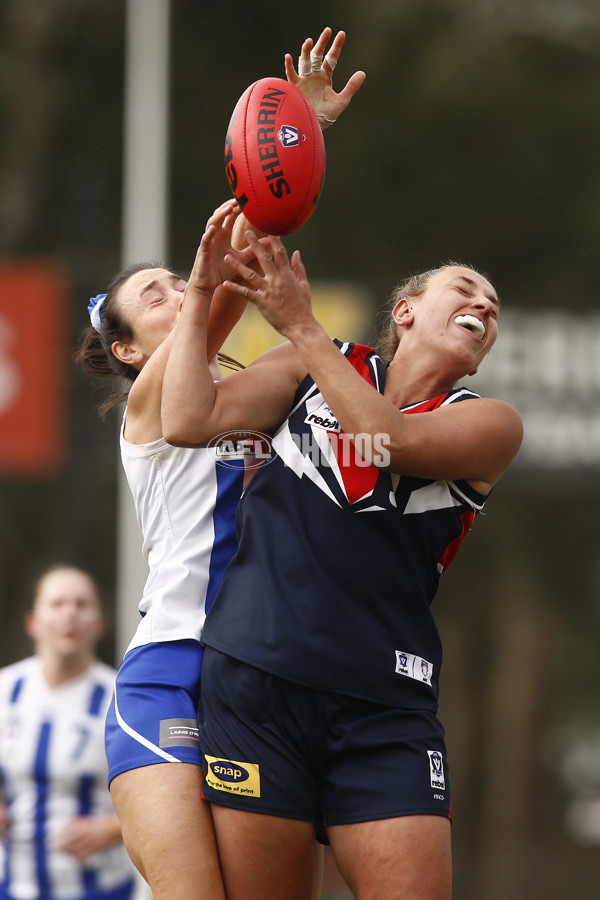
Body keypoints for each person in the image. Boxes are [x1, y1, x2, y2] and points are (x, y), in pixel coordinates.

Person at [76, 28, 365, 900]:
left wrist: (300, 135)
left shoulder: (251, 388)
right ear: (126, 351)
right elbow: (226, 271)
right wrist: (275, 156)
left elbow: (254, 242)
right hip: (169, 667)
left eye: (176, 280)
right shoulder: (149, 405)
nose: (179, 289)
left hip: (264, 673)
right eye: (152, 296)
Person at [159, 211, 524, 898]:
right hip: (256, 683)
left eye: (494, 308)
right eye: (467, 288)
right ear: (406, 311)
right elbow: (186, 420)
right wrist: (202, 294)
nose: (484, 305)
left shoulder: (491, 422)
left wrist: (300, 324)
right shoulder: (314, 364)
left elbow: (388, 441)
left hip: (385, 708)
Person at [0, 564, 135, 900]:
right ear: (32, 622)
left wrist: (110, 830)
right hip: (12, 885)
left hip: (99, 889)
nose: (70, 615)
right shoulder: (5, 690)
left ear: (100, 625)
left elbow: (160, 793)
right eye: (57, 603)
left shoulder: (122, 700)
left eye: (82, 604)